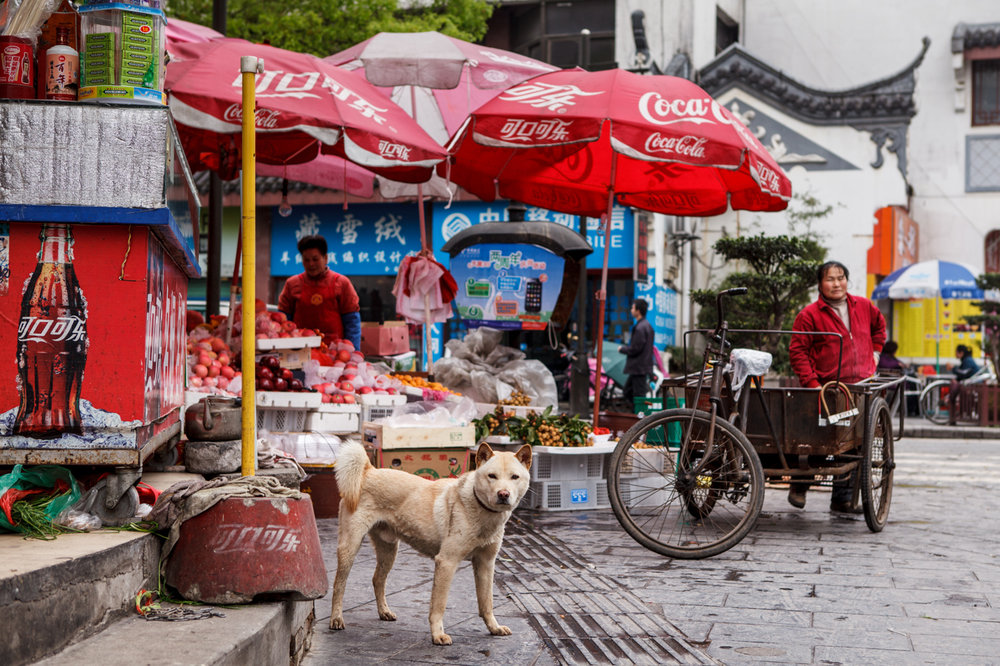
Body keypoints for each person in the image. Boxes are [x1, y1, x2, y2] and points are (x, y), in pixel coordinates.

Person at [788, 261, 887, 513]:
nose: (836, 283)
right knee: (819, 441)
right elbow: (798, 351)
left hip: (861, 387)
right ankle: (800, 484)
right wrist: (811, 383)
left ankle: (842, 499)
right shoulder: (809, 315)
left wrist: (875, 354)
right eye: (830, 279)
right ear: (820, 284)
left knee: (855, 445)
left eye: (841, 278)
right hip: (827, 389)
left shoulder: (864, 306)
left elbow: (879, 328)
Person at [278, 235, 361, 349]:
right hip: (300, 351)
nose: (311, 264)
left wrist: (352, 352)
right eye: (306, 260)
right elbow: (283, 321)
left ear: (325, 258)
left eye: (315, 259)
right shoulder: (292, 284)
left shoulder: (342, 283)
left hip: (333, 351)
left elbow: (352, 322)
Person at [618, 298, 654, 408]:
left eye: (633, 308)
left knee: (638, 395)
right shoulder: (646, 326)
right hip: (640, 367)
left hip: (638, 367)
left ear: (638, 311)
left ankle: (641, 417)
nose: (631, 310)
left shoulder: (640, 327)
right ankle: (637, 414)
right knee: (629, 391)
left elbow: (636, 348)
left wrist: (622, 349)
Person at [947, 344, 980, 425]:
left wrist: (952, 368)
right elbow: (963, 374)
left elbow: (964, 373)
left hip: (975, 385)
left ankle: (962, 414)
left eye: (956, 352)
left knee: (967, 399)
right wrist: (957, 379)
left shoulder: (967, 360)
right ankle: (961, 414)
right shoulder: (965, 360)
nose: (955, 354)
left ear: (961, 353)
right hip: (971, 385)